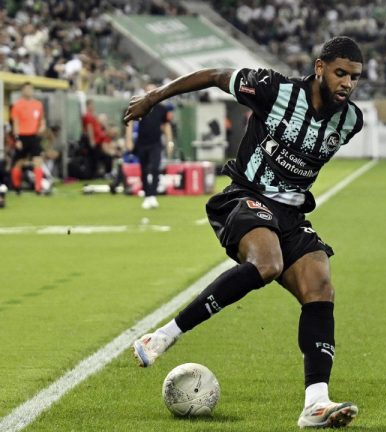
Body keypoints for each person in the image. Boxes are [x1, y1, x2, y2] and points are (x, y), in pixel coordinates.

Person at [124, 36, 364, 428]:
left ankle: (315, 403)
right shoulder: (274, 89)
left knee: (320, 286)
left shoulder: (350, 120)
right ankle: (164, 335)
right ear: (319, 67)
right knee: (267, 264)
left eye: (354, 77)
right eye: (340, 73)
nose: (347, 84)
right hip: (245, 196)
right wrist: (155, 96)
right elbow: (214, 75)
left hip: (291, 213)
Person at [124, 84, 174, 209]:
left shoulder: (162, 108)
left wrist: (169, 142)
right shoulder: (139, 107)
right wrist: (128, 140)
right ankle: (147, 195)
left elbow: (166, 126)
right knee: (144, 170)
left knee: (156, 168)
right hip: (142, 143)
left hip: (156, 143)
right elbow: (129, 121)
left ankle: (153, 195)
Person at [10, 82, 46, 194]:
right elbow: (15, 123)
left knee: (38, 160)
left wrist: (42, 127)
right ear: (22, 91)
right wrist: (17, 139)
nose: (29, 91)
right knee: (19, 163)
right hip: (22, 136)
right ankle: (16, 186)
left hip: (34, 136)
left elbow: (42, 120)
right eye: (27, 89)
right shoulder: (17, 105)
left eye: (31, 89)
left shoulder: (38, 104)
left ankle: (38, 188)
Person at [81, 99, 113, 178]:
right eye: (91, 105)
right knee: (99, 158)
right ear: (88, 106)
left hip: (98, 141)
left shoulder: (92, 116)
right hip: (95, 142)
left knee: (95, 159)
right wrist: (92, 141)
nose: (93, 107)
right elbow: (89, 128)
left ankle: (97, 173)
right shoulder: (88, 116)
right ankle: (104, 173)